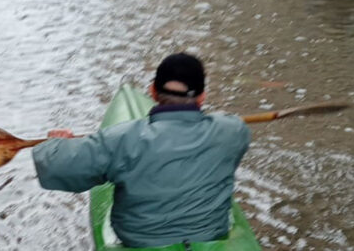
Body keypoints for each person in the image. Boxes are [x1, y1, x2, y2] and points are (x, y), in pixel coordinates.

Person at [32, 53, 251, 248]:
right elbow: (220, 123)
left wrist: (56, 145)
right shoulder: (234, 130)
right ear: (202, 97)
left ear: (153, 91)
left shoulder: (120, 139)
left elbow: (56, 166)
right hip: (210, 235)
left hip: (140, 241)